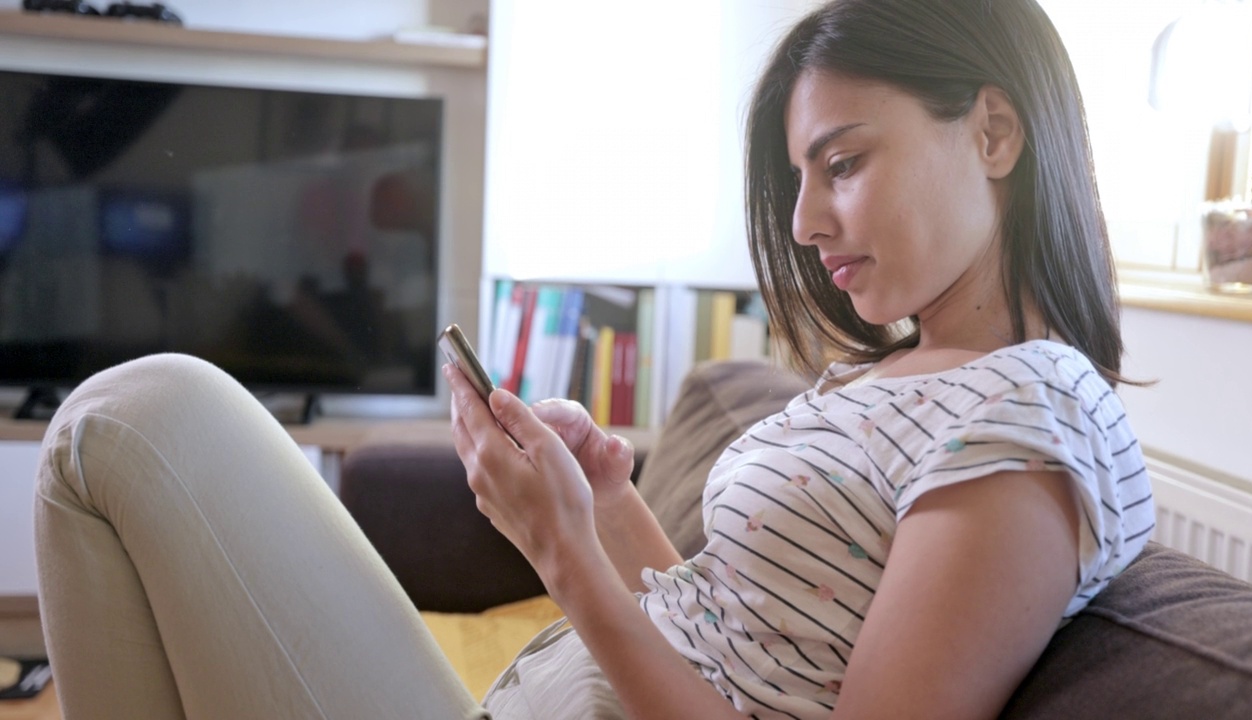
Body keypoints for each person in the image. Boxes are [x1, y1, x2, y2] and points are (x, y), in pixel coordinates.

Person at [32, 0, 1155, 718]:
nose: (807, 222)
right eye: (798, 180)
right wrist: (610, 502)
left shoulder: (1027, 417)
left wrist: (561, 551)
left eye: (842, 162)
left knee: (131, 421)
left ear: (994, 135)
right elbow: (741, 643)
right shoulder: (904, 378)